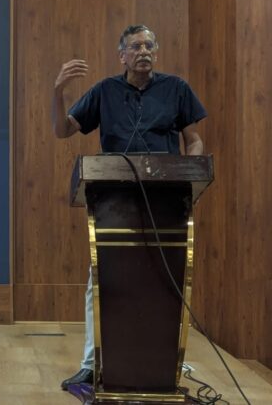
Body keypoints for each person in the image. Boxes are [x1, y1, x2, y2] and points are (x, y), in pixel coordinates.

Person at [52, 24, 206, 390]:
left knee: (162, 279)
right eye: (136, 46)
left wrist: (190, 170)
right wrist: (57, 90)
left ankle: (162, 364)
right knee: (102, 280)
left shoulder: (177, 89)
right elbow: (63, 130)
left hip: (166, 200)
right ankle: (92, 365)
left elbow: (194, 141)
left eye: (149, 45)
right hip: (113, 200)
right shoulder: (104, 91)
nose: (144, 51)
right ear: (122, 55)